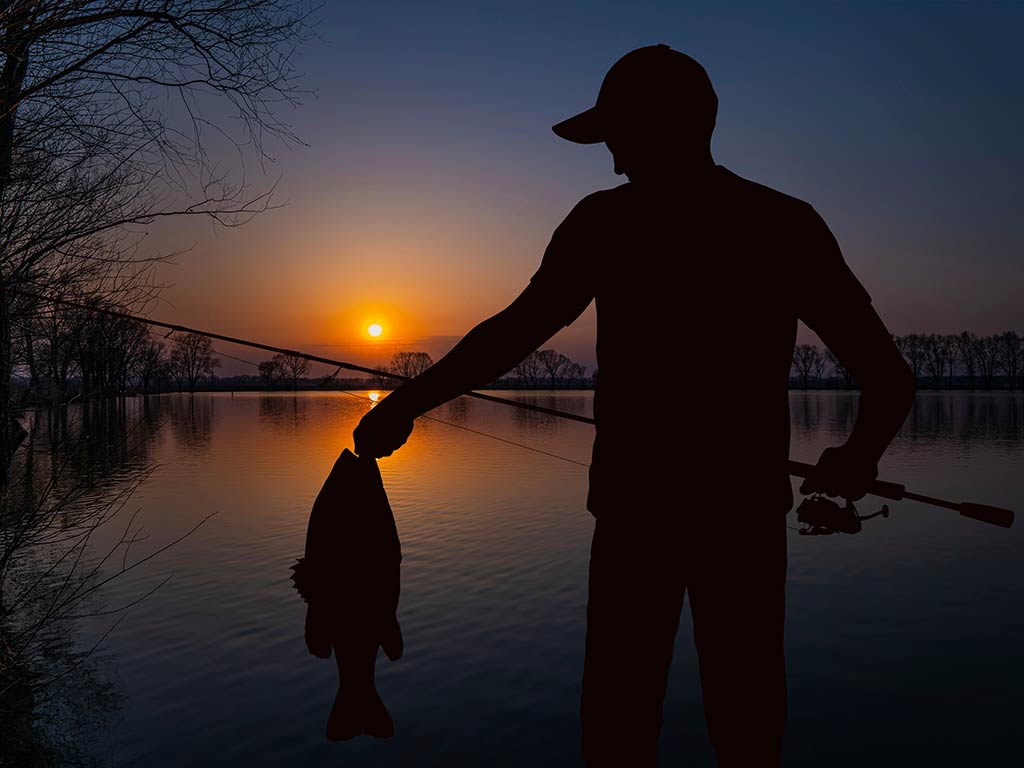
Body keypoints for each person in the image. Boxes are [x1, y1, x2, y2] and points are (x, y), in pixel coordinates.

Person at [353, 44, 917, 767]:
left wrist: (410, 402)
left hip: (643, 518)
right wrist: (855, 456)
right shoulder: (783, 222)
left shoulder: (607, 223)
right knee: (742, 724)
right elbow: (890, 380)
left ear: (671, 126)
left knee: (623, 728)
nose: (613, 157)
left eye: (620, 134)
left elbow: (514, 333)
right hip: (727, 518)